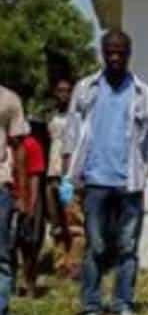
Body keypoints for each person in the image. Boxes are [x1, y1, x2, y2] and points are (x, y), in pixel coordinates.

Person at [61, 29, 148, 315]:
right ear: (102, 52)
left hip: (130, 184)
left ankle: (123, 303)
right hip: (95, 182)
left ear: (129, 54)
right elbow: (71, 136)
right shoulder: (86, 89)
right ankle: (91, 307)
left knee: (127, 247)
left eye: (120, 52)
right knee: (95, 247)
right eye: (110, 52)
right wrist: (67, 178)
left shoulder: (144, 94)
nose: (115, 57)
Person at [0, 84, 31, 315]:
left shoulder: (9, 99)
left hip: (0, 186)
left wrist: (22, 193)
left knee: (0, 255)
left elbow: (19, 147)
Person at [46, 77, 82, 279]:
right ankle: (60, 264)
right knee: (57, 225)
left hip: (70, 176)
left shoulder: (78, 118)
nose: (64, 95)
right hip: (52, 174)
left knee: (74, 223)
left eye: (68, 91)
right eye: (60, 90)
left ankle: (74, 265)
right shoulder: (50, 117)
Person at [12, 124, 47, 298]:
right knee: (9, 245)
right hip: (9, 197)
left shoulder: (31, 145)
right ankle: (9, 285)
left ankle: (30, 283)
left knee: (30, 244)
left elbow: (35, 178)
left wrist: (30, 205)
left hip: (27, 196)